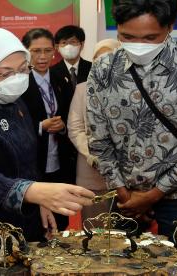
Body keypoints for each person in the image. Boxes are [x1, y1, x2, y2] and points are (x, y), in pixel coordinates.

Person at [0, 27, 95, 245]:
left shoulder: (13, 98)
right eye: (4, 73)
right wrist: (32, 192)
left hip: (24, 220)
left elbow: (26, 160)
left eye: (23, 69)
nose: (16, 79)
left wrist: (40, 201)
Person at [86, 0, 177, 239]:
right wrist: (123, 192)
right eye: (127, 36)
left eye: (150, 38)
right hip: (123, 196)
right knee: (118, 266)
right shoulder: (103, 68)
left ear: (169, 27)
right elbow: (98, 138)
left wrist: (154, 193)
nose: (138, 45)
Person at [21, 28, 75, 231]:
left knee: (61, 215)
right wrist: (40, 126)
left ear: (55, 51)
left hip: (59, 159)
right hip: (33, 160)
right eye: (36, 51)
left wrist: (63, 128)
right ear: (26, 51)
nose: (42, 57)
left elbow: (73, 117)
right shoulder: (19, 81)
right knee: (35, 219)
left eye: (47, 50)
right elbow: (13, 123)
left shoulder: (62, 78)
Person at [68, 38, 120, 220]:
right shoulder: (83, 88)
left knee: (126, 231)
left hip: (126, 173)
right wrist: (94, 154)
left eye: (109, 57)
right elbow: (75, 128)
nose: (103, 63)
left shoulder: (132, 89)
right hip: (91, 170)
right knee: (95, 230)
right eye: (98, 58)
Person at [51, 25, 92, 105]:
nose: (68, 46)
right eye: (64, 43)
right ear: (57, 47)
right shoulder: (52, 72)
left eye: (73, 42)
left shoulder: (93, 68)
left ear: (82, 45)